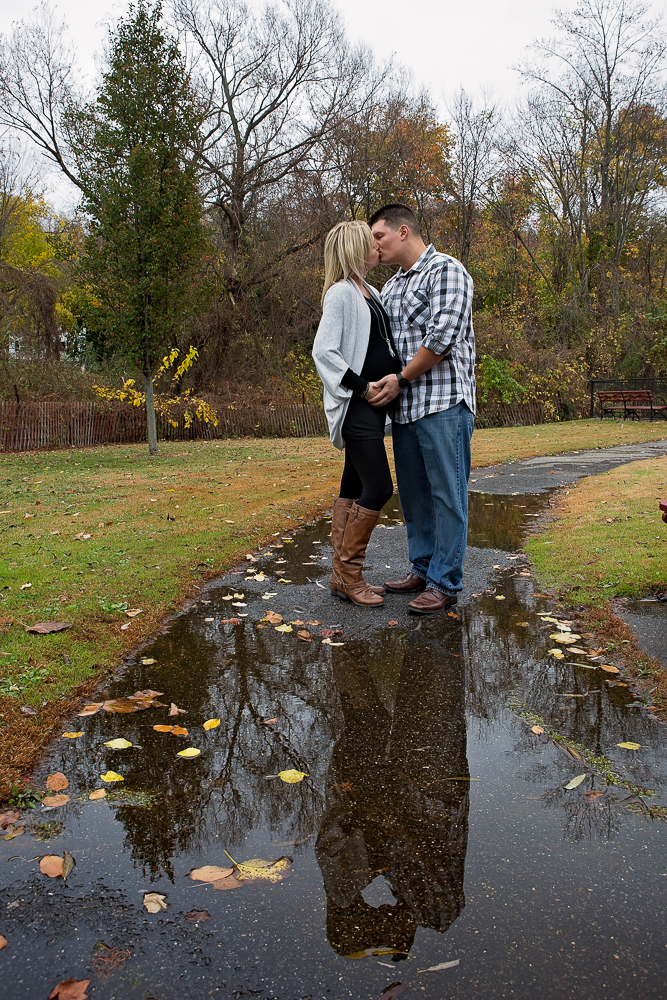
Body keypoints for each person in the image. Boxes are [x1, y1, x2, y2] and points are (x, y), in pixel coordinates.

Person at [367, 204, 475, 615]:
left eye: (379, 236)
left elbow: (443, 335)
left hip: (445, 403)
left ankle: (445, 581)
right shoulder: (391, 288)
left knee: (448, 495)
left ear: (404, 231)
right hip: (405, 409)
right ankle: (423, 566)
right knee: (414, 496)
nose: (375, 244)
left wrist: (401, 378)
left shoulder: (447, 270)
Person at [312, 220, 401, 607]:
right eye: (371, 243)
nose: (377, 247)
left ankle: (338, 575)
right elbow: (324, 351)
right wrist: (364, 387)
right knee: (379, 487)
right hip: (357, 407)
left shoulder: (371, 292)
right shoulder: (340, 295)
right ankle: (350, 576)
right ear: (354, 250)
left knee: (353, 486)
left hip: (372, 408)